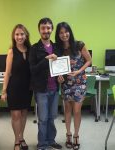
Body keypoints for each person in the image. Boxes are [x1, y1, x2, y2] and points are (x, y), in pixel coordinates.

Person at [55, 22, 92, 150]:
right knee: (67, 110)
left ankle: (76, 135)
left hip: (79, 83)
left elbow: (89, 60)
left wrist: (79, 71)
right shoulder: (59, 50)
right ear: (58, 35)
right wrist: (58, 77)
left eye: (66, 31)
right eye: (61, 32)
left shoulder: (79, 45)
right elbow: (56, 67)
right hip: (66, 84)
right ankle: (68, 134)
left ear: (70, 32)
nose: (64, 35)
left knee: (77, 111)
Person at [29, 18, 62, 150]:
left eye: (48, 28)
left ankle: (51, 140)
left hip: (54, 88)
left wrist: (61, 76)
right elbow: (32, 70)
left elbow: (60, 67)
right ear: (39, 30)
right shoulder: (34, 48)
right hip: (41, 90)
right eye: (43, 28)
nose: (46, 30)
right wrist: (46, 60)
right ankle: (42, 144)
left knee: (52, 117)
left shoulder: (56, 47)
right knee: (42, 119)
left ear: (51, 29)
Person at [1, 24, 32, 150]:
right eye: (17, 34)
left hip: (27, 88)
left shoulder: (31, 50)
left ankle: (21, 137)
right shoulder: (11, 51)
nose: (19, 37)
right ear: (14, 36)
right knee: (15, 115)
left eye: (22, 34)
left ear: (26, 35)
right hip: (14, 88)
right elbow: (7, 73)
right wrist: (4, 91)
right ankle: (16, 141)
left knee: (24, 114)